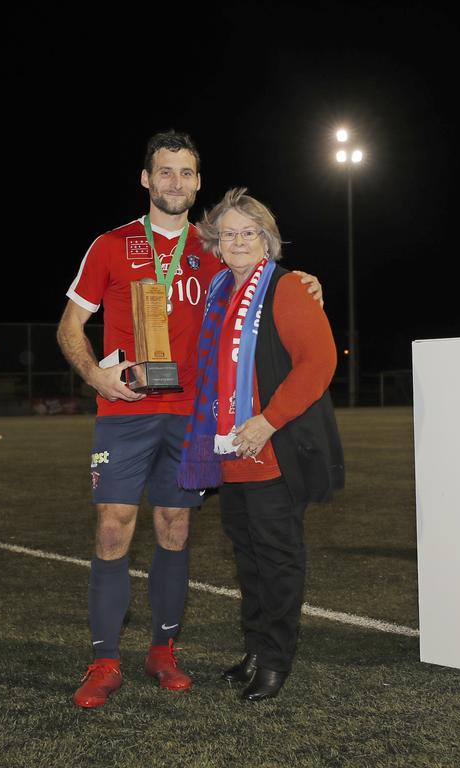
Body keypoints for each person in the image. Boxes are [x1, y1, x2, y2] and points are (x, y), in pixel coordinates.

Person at [57, 132, 323, 709]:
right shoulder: (110, 245)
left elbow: (264, 279)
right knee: (111, 530)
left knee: (175, 532)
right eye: (165, 172)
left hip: (194, 419)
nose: (175, 183)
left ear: (198, 182)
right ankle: (103, 661)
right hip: (125, 412)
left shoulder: (214, 249)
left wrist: (304, 280)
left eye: (186, 173)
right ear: (146, 179)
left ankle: (162, 651)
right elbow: (69, 327)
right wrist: (95, 377)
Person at [178, 188, 344, 701]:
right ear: (218, 245)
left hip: (273, 450)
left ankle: (275, 660)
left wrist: (268, 421)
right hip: (230, 455)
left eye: (249, 232)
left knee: (278, 558)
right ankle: (254, 648)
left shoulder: (288, 287)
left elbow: (320, 363)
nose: (240, 241)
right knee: (248, 559)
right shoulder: (218, 293)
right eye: (229, 234)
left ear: (267, 240)